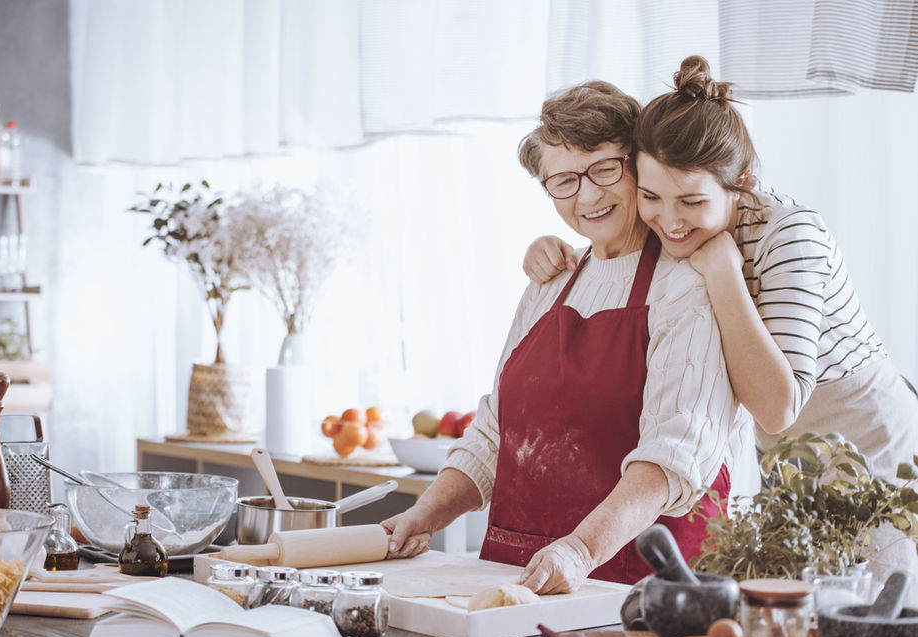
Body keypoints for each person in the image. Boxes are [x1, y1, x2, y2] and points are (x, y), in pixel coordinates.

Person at [522, 56, 918, 588]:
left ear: (742, 181)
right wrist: (552, 250)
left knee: (877, 617)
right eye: (652, 197)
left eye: (692, 201)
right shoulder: (671, 220)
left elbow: (777, 407)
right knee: (793, 616)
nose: (669, 219)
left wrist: (724, 272)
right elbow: (612, 238)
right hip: (782, 459)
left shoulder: (790, 235)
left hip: (868, 441)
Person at [380, 81, 751, 594]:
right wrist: (422, 516)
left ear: (638, 166)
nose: (589, 195)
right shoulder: (549, 281)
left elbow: (675, 456)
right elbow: (495, 433)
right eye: (564, 181)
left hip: (638, 587)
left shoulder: (688, 284)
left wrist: (580, 550)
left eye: (605, 169)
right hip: (522, 577)